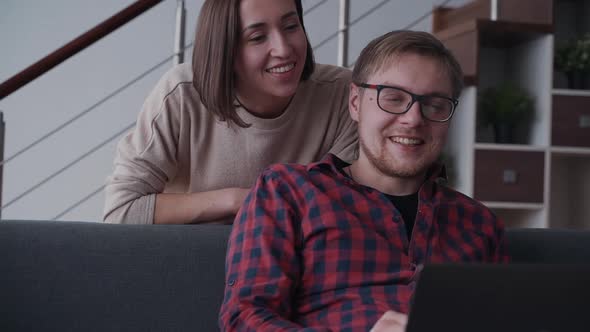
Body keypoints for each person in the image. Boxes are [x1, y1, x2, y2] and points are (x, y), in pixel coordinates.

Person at [219, 30, 508, 331]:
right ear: (355, 102)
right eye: (393, 98)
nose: (413, 119)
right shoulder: (287, 191)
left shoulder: (480, 225)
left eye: (435, 105)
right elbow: (244, 319)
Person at [103, 0, 358, 224]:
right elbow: (122, 210)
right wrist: (238, 200)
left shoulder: (345, 96)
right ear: (224, 49)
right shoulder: (181, 95)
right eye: (257, 37)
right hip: (192, 256)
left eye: (291, 26)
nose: (283, 49)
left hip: (298, 259)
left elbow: (351, 205)